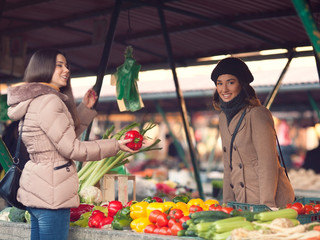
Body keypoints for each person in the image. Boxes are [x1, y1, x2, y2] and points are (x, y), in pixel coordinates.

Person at [6, 48, 135, 240]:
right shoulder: (50, 101)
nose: (66, 70)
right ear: (43, 67)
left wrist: (84, 110)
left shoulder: (34, 101)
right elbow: (72, 148)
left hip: (37, 190)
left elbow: (58, 140)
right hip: (52, 195)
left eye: (66, 65)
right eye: (59, 65)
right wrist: (115, 145)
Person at [211, 57, 295, 208]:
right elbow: (227, 164)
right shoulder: (223, 117)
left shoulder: (257, 114)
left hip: (269, 201)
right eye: (219, 83)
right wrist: (227, 203)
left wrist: (267, 204)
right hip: (242, 201)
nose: (224, 89)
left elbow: (267, 162)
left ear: (241, 84)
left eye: (230, 82)